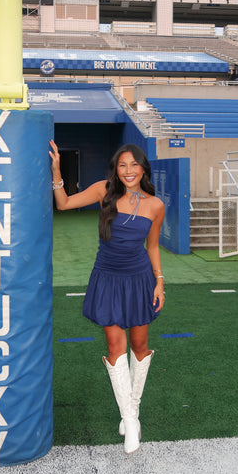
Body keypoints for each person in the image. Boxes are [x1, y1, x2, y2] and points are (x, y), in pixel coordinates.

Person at [49, 140, 165, 455]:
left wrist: (159, 282)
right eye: (122, 165)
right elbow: (63, 204)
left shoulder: (155, 205)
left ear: (143, 168)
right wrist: (57, 170)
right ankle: (128, 419)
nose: (128, 171)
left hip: (140, 280)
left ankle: (133, 412)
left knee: (139, 347)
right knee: (116, 348)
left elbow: (152, 246)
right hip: (107, 279)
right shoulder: (104, 190)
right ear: (116, 168)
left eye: (134, 165)